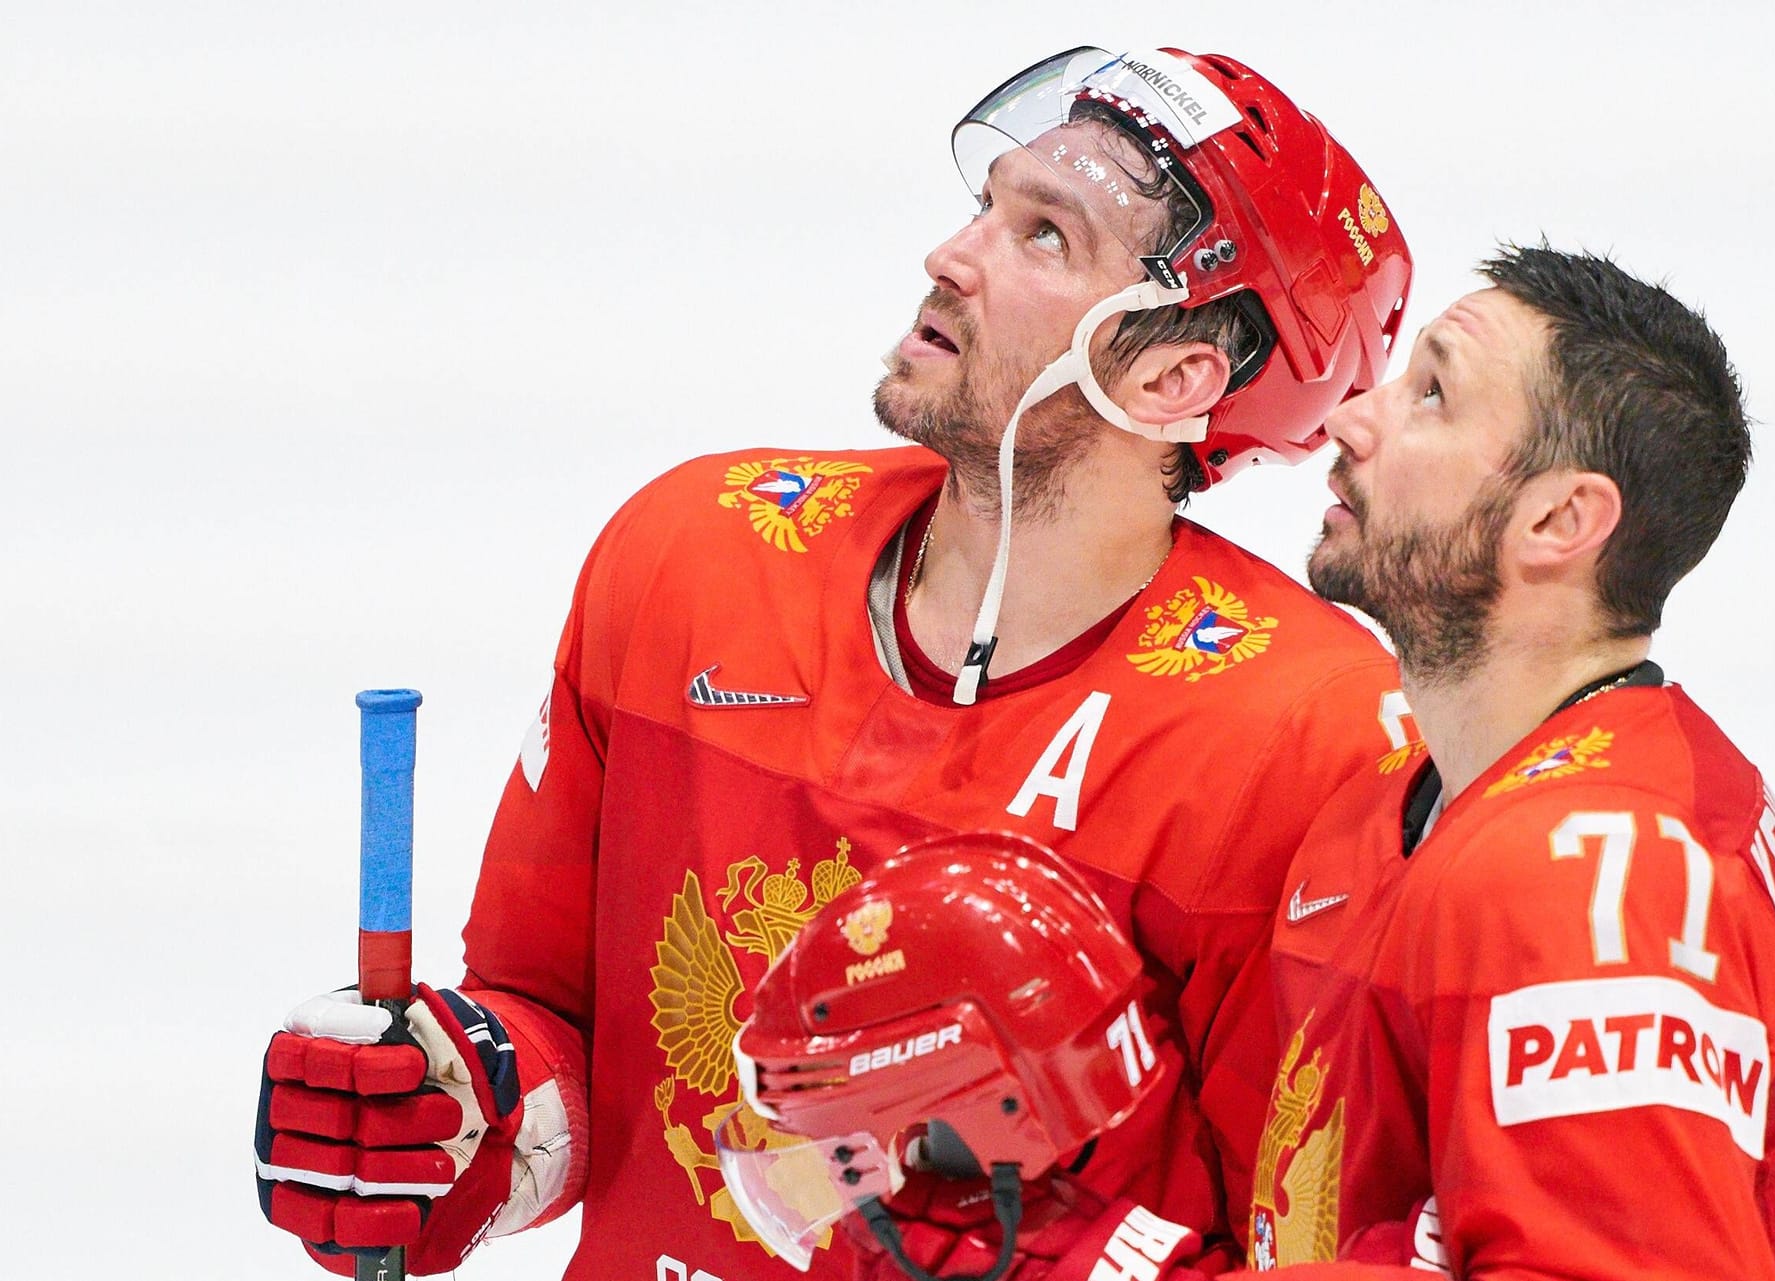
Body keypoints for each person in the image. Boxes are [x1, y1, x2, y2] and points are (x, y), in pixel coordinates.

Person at [252, 45, 1417, 1280]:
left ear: (1173, 377)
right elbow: (559, 1028)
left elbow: (1301, 1238)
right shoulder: (692, 558)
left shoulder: (1309, 736)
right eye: (985, 205)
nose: (950, 255)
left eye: (1042, 237)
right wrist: (456, 1118)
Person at [1239, 245, 1775, 1277]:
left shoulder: (1588, 876)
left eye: (1430, 394)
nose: (1351, 418)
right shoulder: (1412, 807)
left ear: (1559, 521)